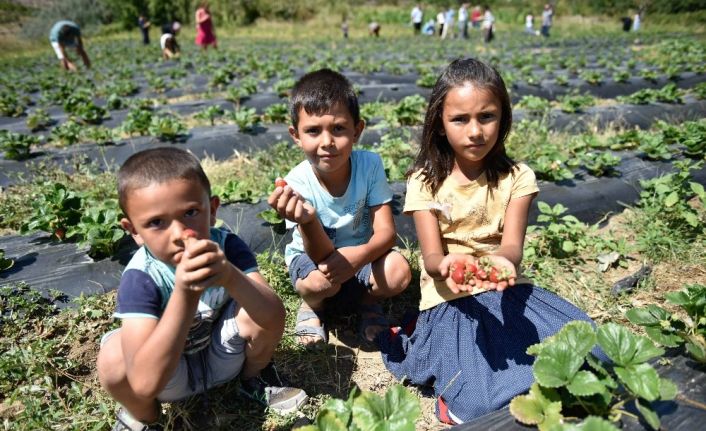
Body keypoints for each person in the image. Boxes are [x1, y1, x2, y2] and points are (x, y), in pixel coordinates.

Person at [377, 58, 600, 425]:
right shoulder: (425, 181)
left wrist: (502, 263)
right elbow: (432, 257)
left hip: (509, 291)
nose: (475, 131)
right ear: (439, 124)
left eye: (487, 117)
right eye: (460, 120)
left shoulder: (517, 178)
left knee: (588, 349)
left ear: (504, 118)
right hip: (452, 300)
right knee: (488, 398)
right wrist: (447, 267)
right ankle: (456, 387)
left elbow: (512, 245)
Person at [97, 148, 308, 430]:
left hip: (224, 360)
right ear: (133, 230)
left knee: (255, 301)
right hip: (169, 378)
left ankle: (254, 378)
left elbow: (273, 316)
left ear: (212, 210)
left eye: (190, 212)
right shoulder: (141, 278)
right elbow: (144, 381)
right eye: (156, 223)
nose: (179, 234)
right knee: (113, 358)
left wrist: (231, 277)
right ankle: (145, 417)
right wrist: (185, 293)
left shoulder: (227, 247)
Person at [267, 69, 412, 347]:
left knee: (398, 271)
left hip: (362, 254)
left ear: (357, 131)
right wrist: (307, 221)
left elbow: (386, 233)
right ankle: (314, 306)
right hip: (316, 260)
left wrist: (358, 256)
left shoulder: (369, 165)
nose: (326, 142)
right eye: (312, 131)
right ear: (295, 135)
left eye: (338, 128)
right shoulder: (297, 183)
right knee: (318, 284)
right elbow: (320, 254)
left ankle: (368, 303)